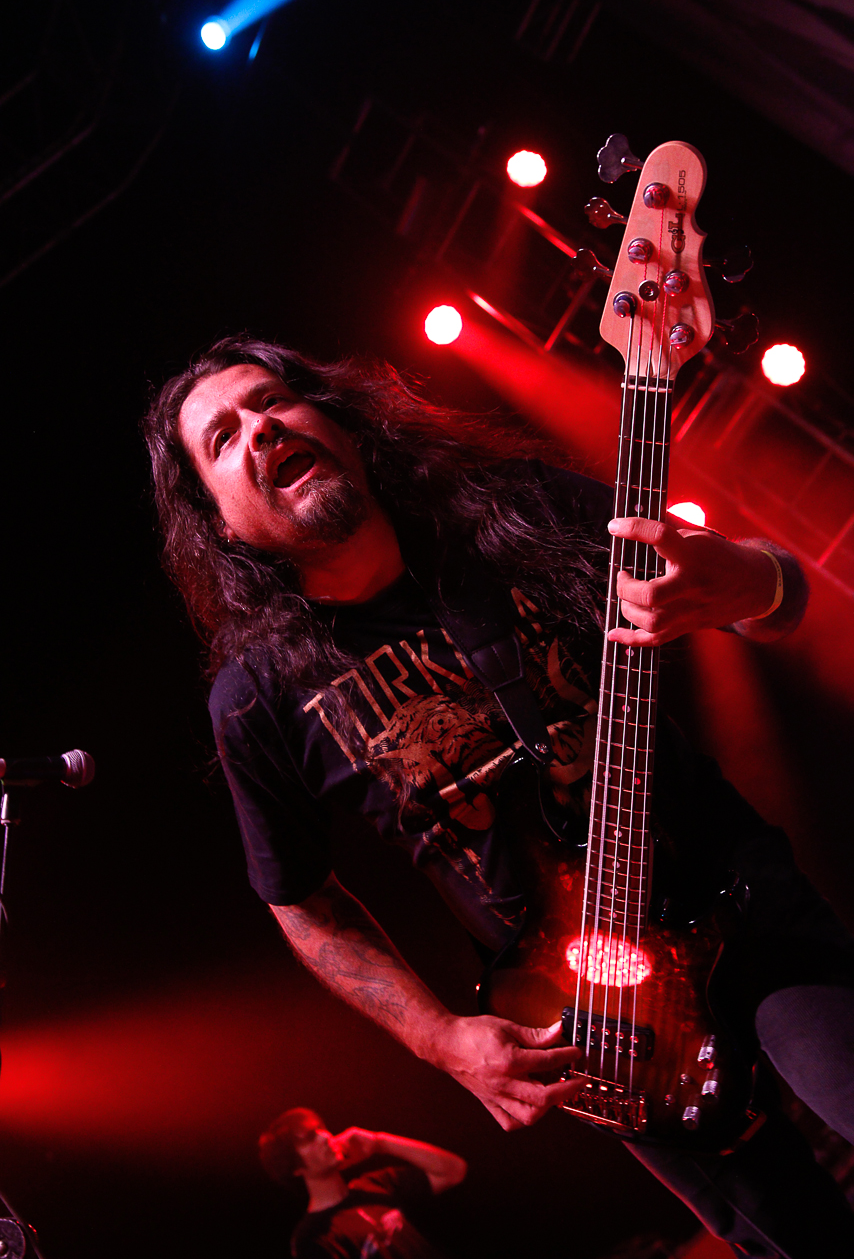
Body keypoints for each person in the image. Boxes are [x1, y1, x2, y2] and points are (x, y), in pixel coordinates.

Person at [145, 335, 854, 1257]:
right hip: (613, 1026)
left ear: (343, 426)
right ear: (223, 525)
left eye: (274, 400)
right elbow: (300, 900)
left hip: (744, 912)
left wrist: (752, 578)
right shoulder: (259, 699)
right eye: (223, 437)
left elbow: (780, 597)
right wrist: (440, 1038)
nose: (262, 428)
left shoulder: (511, 513)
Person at [258, 1107, 466, 1258]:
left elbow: (454, 1171)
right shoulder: (313, 1236)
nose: (325, 1136)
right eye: (310, 1137)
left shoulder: (376, 1183)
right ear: (293, 1166)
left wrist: (380, 1143)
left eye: (321, 1129)